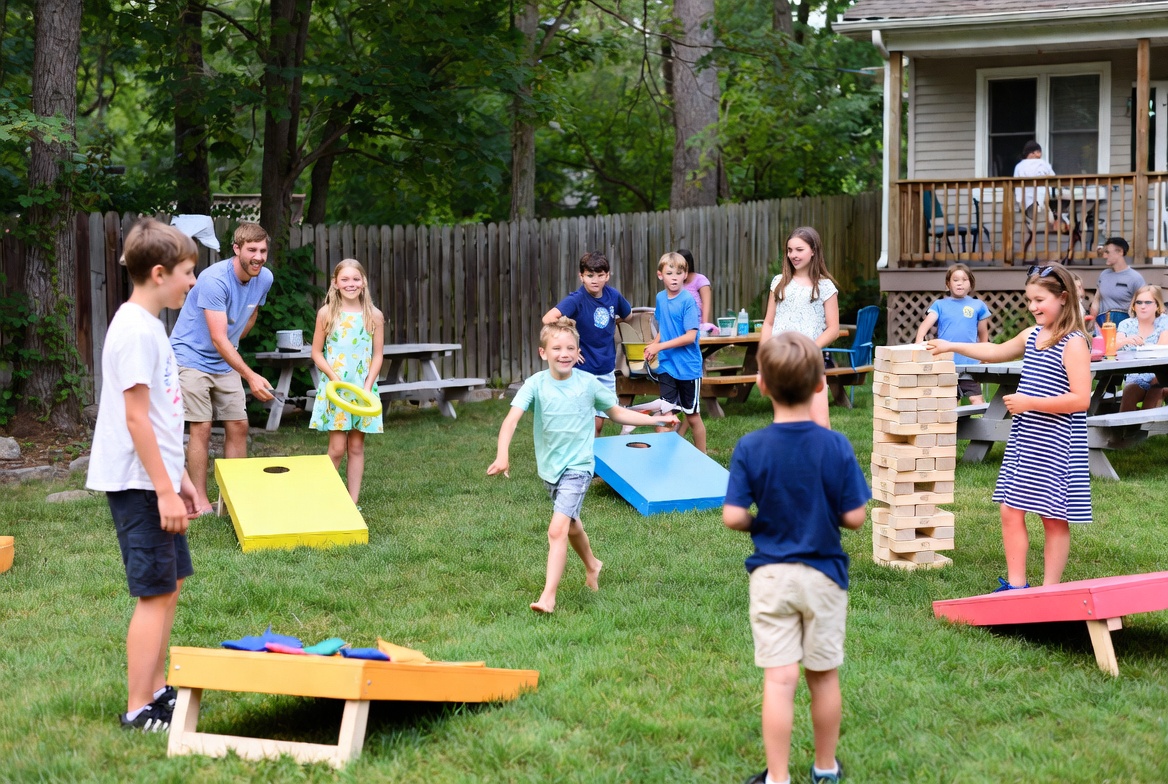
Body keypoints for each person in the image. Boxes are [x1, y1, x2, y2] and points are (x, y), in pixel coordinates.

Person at [723, 332, 870, 784]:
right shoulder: (836, 445)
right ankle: (825, 768)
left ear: (762, 384)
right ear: (820, 385)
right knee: (823, 677)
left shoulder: (750, 447)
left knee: (780, 679)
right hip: (825, 576)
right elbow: (856, 517)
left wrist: (760, 525)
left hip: (771, 577)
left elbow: (732, 517)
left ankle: (778, 778)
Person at [86, 218, 200, 732]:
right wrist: (163, 489)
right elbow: (135, 418)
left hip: (156, 477)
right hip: (138, 483)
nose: (192, 282)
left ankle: (157, 690)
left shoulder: (151, 325)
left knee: (169, 583)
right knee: (154, 592)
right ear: (159, 273)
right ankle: (139, 706)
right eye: (188, 272)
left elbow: (160, 412)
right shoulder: (134, 329)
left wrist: (183, 478)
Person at [487, 318, 678, 613]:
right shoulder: (535, 384)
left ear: (578, 354)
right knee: (572, 523)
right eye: (557, 348)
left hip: (579, 466)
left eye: (570, 348)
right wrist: (503, 455)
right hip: (551, 469)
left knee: (557, 529)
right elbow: (511, 420)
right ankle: (593, 564)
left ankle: (548, 597)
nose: (564, 353)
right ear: (543, 352)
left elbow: (617, 413)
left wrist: (655, 419)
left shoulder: (588, 384)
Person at [928, 262, 1092, 592]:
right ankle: (1016, 586)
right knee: (1010, 509)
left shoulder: (1073, 342)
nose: (1032, 307)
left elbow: (1080, 399)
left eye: (1039, 300)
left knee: (1052, 517)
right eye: (1029, 300)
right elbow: (995, 351)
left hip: (1056, 442)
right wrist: (952, 346)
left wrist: (1030, 403)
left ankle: (1049, 590)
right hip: (1027, 437)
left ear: (1062, 298)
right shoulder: (1033, 335)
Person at [170, 222, 275, 515]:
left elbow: (250, 313)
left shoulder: (264, 278)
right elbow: (217, 337)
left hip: (224, 358)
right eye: (252, 250)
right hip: (190, 358)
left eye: (263, 250)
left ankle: (232, 501)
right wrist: (250, 374)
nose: (258, 256)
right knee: (201, 427)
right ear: (237, 249)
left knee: (239, 424)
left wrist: (235, 339)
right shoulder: (214, 279)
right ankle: (200, 501)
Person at [309, 259, 385, 503]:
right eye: (345, 279)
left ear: (363, 283)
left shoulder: (374, 315)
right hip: (337, 389)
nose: (350, 284)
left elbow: (378, 354)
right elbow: (316, 352)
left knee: (356, 447)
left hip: (362, 390)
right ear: (335, 283)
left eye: (355, 279)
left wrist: (367, 386)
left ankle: (352, 503)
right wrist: (333, 377)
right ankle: (325, 499)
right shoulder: (326, 313)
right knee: (337, 449)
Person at [542, 251, 631, 436]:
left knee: (599, 423)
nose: (595, 280)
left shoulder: (613, 295)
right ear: (581, 276)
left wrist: (615, 321)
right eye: (590, 275)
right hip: (584, 368)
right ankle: (582, 458)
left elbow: (628, 315)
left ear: (607, 275)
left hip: (606, 367)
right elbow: (548, 318)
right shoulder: (577, 299)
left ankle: (592, 459)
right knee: (585, 420)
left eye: (600, 275)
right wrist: (571, 345)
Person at [760, 226, 840, 429]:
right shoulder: (778, 283)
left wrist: (809, 349)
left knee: (820, 421)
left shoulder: (825, 286)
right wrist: (763, 357)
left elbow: (833, 329)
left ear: (813, 250)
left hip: (810, 361)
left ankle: (826, 459)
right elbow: (768, 322)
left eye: (799, 249)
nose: (793, 255)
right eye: (789, 250)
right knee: (787, 420)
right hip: (780, 361)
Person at [644, 251, 707, 453]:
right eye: (669, 273)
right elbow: (664, 327)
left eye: (679, 273)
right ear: (660, 275)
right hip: (667, 366)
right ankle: (667, 457)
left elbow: (690, 336)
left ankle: (703, 458)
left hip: (688, 368)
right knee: (666, 413)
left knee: (692, 416)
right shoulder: (661, 298)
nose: (674, 277)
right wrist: (654, 346)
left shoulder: (688, 301)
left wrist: (659, 346)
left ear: (685, 275)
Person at [914, 263, 992, 404]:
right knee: (949, 402)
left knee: (976, 400)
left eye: (964, 280)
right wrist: (919, 341)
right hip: (946, 363)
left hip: (971, 363)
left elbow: (983, 334)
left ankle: (982, 425)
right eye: (955, 280)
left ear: (971, 284)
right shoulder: (939, 305)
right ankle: (953, 426)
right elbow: (925, 325)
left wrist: (984, 354)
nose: (960, 283)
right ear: (948, 284)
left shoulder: (978, 305)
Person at [1013, 140, 1074, 259]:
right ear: (1034, 152)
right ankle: (1064, 223)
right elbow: (1053, 179)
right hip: (1040, 205)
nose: (1040, 154)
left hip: (1028, 209)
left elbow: (1017, 189)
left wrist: (1020, 204)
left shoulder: (1019, 166)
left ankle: (1034, 255)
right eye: (1039, 151)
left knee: (1041, 225)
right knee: (1061, 215)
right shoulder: (1041, 164)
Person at [1116, 284, 1168, 411]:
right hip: (1135, 376)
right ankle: (1128, 430)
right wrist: (1125, 341)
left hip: (1161, 374)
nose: (1143, 306)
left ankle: (1145, 429)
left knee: (1156, 388)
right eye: (1139, 302)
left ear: (1157, 305)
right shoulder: (1126, 324)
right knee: (1128, 398)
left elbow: (1162, 350)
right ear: (1133, 305)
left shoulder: (1164, 321)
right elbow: (1111, 348)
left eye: (1148, 302)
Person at [1087, 237, 1145, 329]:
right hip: (1102, 325)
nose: (1104, 256)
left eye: (1107, 252)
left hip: (1125, 327)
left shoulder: (1135, 278)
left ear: (1120, 252)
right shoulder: (1104, 275)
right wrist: (1093, 321)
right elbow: (1096, 300)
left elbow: (1141, 304)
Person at [677, 248, 716, 334]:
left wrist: (704, 326)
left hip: (696, 326)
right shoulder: (675, 282)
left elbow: (706, 303)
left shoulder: (700, 280)